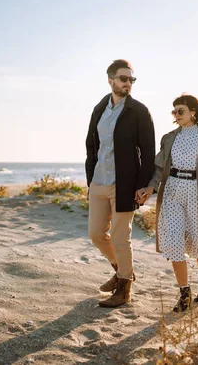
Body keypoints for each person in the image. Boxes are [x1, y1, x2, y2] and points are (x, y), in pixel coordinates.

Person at [137, 94, 198, 312]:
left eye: (181, 111)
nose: (176, 115)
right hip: (172, 191)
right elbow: (159, 167)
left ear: (193, 112)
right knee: (175, 242)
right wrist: (151, 187)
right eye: (174, 111)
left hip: (197, 193)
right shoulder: (169, 138)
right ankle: (184, 292)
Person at [85, 59, 155, 308]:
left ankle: (124, 288)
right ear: (110, 80)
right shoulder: (99, 109)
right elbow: (92, 147)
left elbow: (148, 152)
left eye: (131, 80)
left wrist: (144, 186)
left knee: (119, 236)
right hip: (98, 182)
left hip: (124, 183)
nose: (128, 83)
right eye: (123, 79)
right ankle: (122, 271)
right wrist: (89, 180)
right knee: (96, 234)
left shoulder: (139, 111)